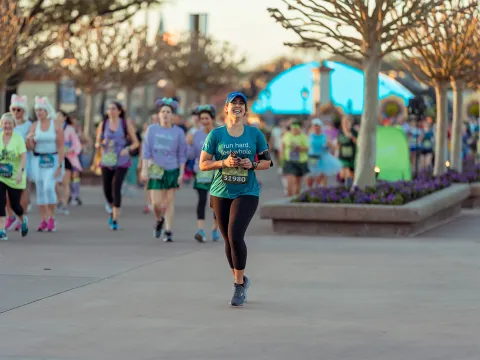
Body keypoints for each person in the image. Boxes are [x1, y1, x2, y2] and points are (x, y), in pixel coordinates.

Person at [199, 91, 272, 307]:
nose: (237, 106)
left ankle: (238, 286)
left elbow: (268, 162)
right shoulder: (216, 135)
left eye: (241, 103)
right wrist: (223, 163)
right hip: (220, 192)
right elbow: (203, 164)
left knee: (235, 234)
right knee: (228, 239)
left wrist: (253, 164)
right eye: (234, 103)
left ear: (246, 110)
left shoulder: (255, 134)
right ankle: (240, 278)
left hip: (247, 191)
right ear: (227, 109)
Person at [141, 98, 187, 241]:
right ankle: (159, 220)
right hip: (155, 169)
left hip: (172, 168)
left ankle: (168, 231)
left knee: (169, 202)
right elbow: (146, 151)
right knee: (156, 204)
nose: (166, 114)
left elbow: (182, 155)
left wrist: (181, 173)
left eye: (168, 112)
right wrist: (144, 170)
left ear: (173, 116)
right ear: (159, 115)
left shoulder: (178, 132)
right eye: (163, 112)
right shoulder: (152, 130)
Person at [95, 102, 139, 230]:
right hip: (107, 159)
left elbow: (136, 143)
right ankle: (112, 205)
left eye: (114, 109)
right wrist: (99, 145)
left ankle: (115, 218)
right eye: (109, 109)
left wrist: (128, 149)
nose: (111, 111)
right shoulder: (103, 124)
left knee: (116, 186)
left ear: (119, 111)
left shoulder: (125, 124)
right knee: (106, 188)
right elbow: (98, 141)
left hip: (122, 160)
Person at [26, 96, 64, 232]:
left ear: (47, 111)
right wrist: (29, 140)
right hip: (38, 160)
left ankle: (52, 217)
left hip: (52, 159)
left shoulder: (56, 125)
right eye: (37, 110)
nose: (39, 112)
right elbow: (30, 147)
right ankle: (43, 219)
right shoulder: (34, 126)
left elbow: (60, 146)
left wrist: (60, 165)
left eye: (41, 110)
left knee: (49, 187)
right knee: (41, 189)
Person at [187, 104, 219, 242]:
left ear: (212, 118)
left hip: (217, 172)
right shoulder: (195, 135)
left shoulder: (220, 133)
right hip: (201, 173)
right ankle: (200, 230)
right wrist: (188, 144)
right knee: (201, 200)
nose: (204, 121)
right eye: (202, 119)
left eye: (207, 118)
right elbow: (191, 155)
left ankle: (215, 228)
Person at [4, 94, 32, 232]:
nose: (16, 112)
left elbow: (30, 145)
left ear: (24, 111)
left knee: (21, 192)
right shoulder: (5, 123)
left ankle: (22, 216)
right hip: (6, 165)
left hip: (23, 161)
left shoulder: (28, 125)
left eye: (19, 110)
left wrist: (30, 141)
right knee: (5, 194)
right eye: (14, 109)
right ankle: (10, 217)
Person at [0, 113, 29, 240]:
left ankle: (23, 220)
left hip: (15, 177)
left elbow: (23, 157)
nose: (7, 126)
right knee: (0, 203)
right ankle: (2, 230)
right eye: (5, 123)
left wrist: (20, 173)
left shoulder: (18, 139)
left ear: (14, 125)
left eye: (9, 123)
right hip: (1, 177)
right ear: (1, 125)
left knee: (14, 205)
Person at [56, 111, 82, 215]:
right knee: (55, 183)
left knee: (65, 182)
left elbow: (76, 144)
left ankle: (65, 204)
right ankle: (59, 200)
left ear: (64, 118)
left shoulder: (70, 129)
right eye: (56, 116)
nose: (57, 118)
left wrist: (70, 150)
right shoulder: (52, 128)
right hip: (55, 157)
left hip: (67, 158)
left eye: (59, 116)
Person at [306, 119, 342, 188]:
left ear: (321, 127)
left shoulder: (325, 136)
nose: (316, 128)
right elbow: (306, 146)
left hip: (323, 158)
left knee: (322, 176)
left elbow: (333, 146)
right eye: (315, 126)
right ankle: (312, 189)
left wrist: (328, 147)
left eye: (318, 126)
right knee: (310, 178)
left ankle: (322, 192)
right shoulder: (310, 135)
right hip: (312, 158)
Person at [281, 120, 309, 196]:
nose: (294, 131)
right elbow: (283, 145)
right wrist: (282, 157)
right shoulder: (287, 135)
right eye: (293, 129)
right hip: (289, 161)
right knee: (290, 181)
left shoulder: (303, 136)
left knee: (297, 183)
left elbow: (307, 148)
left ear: (299, 129)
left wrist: (299, 148)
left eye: (296, 129)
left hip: (301, 162)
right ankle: (289, 199)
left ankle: (294, 200)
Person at [337, 115, 358, 188]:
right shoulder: (340, 132)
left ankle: (351, 189)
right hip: (343, 158)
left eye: (347, 122)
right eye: (344, 122)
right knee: (346, 174)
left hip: (352, 158)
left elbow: (358, 143)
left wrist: (351, 137)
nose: (345, 124)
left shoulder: (354, 132)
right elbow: (339, 144)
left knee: (352, 176)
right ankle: (347, 189)